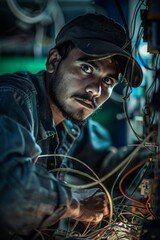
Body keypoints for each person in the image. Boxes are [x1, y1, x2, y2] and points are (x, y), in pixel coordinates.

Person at [0, 13, 143, 239]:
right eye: (87, 68)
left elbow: (106, 164)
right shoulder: (13, 100)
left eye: (108, 81)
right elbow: (11, 192)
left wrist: (145, 157)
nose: (95, 90)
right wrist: (77, 207)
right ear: (54, 61)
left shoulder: (71, 122)